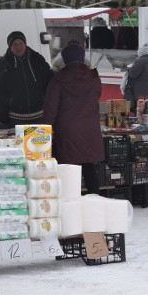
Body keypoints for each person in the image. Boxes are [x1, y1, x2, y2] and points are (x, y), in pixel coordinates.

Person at [42, 42, 104, 195]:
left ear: (64, 59)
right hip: (90, 130)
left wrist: (44, 131)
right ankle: (94, 200)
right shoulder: (94, 78)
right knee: (89, 166)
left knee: (68, 170)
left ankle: (71, 200)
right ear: (82, 58)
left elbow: (51, 109)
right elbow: (97, 97)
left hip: (67, 132)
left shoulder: (58, 80)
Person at [0, 31, 53, 128]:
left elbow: (50, 80)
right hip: (15, 119)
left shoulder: (38, 60)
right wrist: (8, 101)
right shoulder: (3, 65)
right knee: (18, 143)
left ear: (25, 44)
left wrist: (44, 98)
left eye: (21, 43)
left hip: (39, 116)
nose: (18, 47)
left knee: (37, 143)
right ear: (10, 47)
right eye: (15, 44)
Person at [123, 44, 148, 108]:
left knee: (139, 110)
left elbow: (133, 74)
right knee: (146, 109)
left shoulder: (140, 61)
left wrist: (129, 69)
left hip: (139, 92)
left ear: (140, 52)